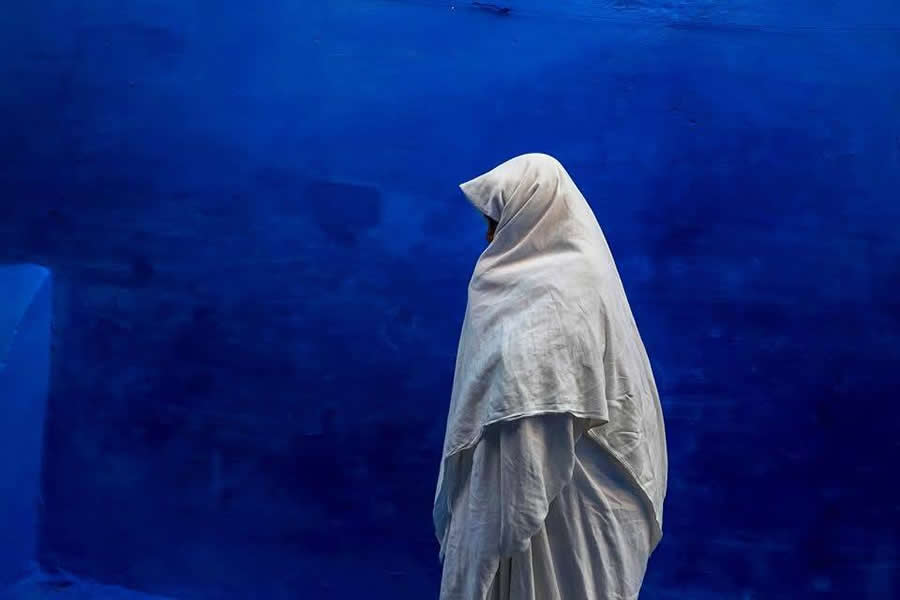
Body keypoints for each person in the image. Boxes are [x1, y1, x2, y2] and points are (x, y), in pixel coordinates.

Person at [433, 154, 668, 600]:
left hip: (575, 481)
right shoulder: (520, 280)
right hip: (533, 471)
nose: (489, 233)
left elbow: (542, 394)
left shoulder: (567, 285)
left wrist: (504, 510)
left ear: (533, 212)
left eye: (498, 217)